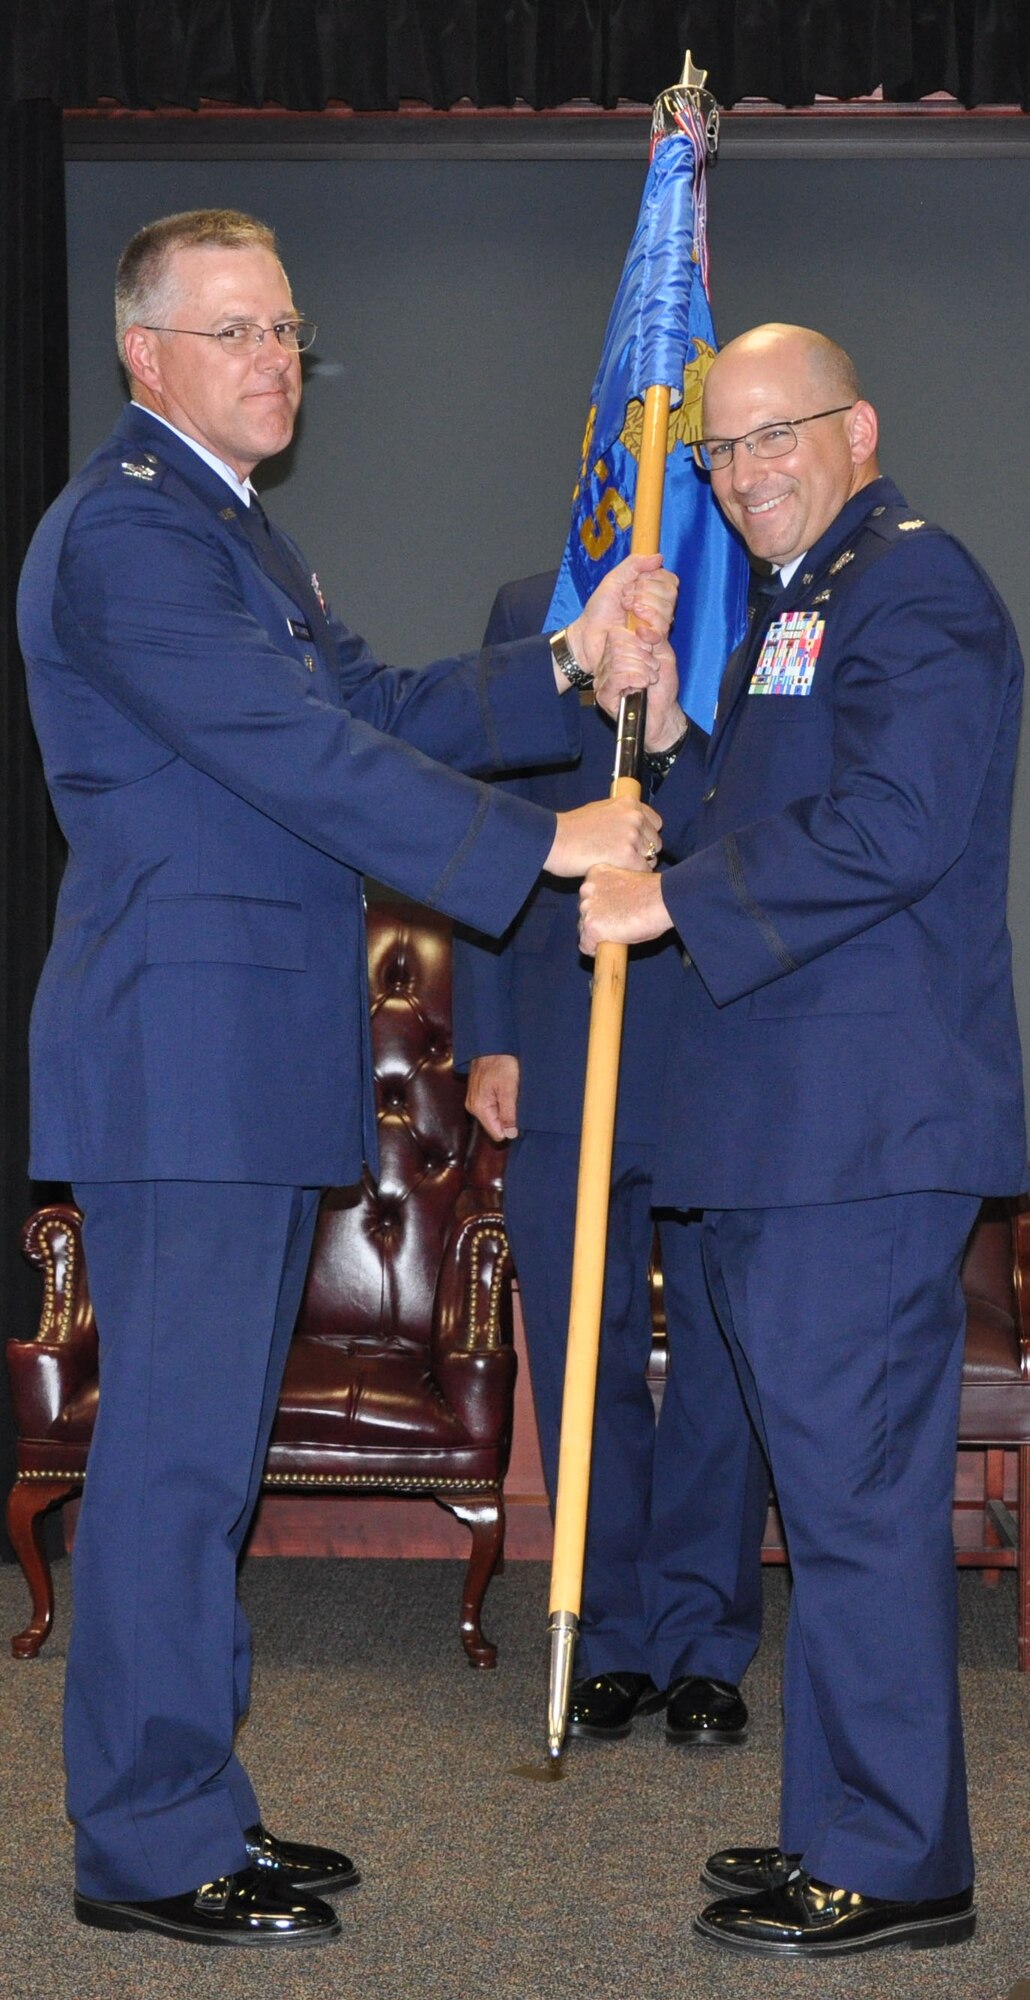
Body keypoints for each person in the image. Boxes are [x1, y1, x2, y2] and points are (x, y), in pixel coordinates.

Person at [16, 207, 684, 1951]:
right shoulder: (129, 539)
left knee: (203, 1462)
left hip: (229, 1058)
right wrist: (547, 848)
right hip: (181, 1059)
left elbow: (374, 697)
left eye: (289, 328)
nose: (275, 358)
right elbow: (299, 755)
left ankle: (188, 1805)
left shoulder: (239, 543)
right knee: (173, 1466)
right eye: (233, 330)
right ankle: (148, 1845)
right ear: (143, 357)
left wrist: (564, 660)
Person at [578, 323, 1026, 1958]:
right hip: (784, 1139)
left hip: (860, 1137)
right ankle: (844, 1827)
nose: (748, 471)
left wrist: (670, 894)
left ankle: (902, 1866)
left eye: (780, 436)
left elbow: (898, 827)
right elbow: (772, 818)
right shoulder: (793, 604)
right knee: (832, 1509)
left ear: (860, 428)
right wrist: (674, 754)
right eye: (723, 451)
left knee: (858, 1511)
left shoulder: (917, 587)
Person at [452, 572, 768, 1746]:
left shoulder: (752, 599)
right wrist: (489, 1033)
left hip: (709, 1026)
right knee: (581, 1352)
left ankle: (701, 1641)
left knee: (718, 1355)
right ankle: (605, 1635)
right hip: (558, 1031)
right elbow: (484, 814)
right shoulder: (534, 609)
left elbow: (767, 804)